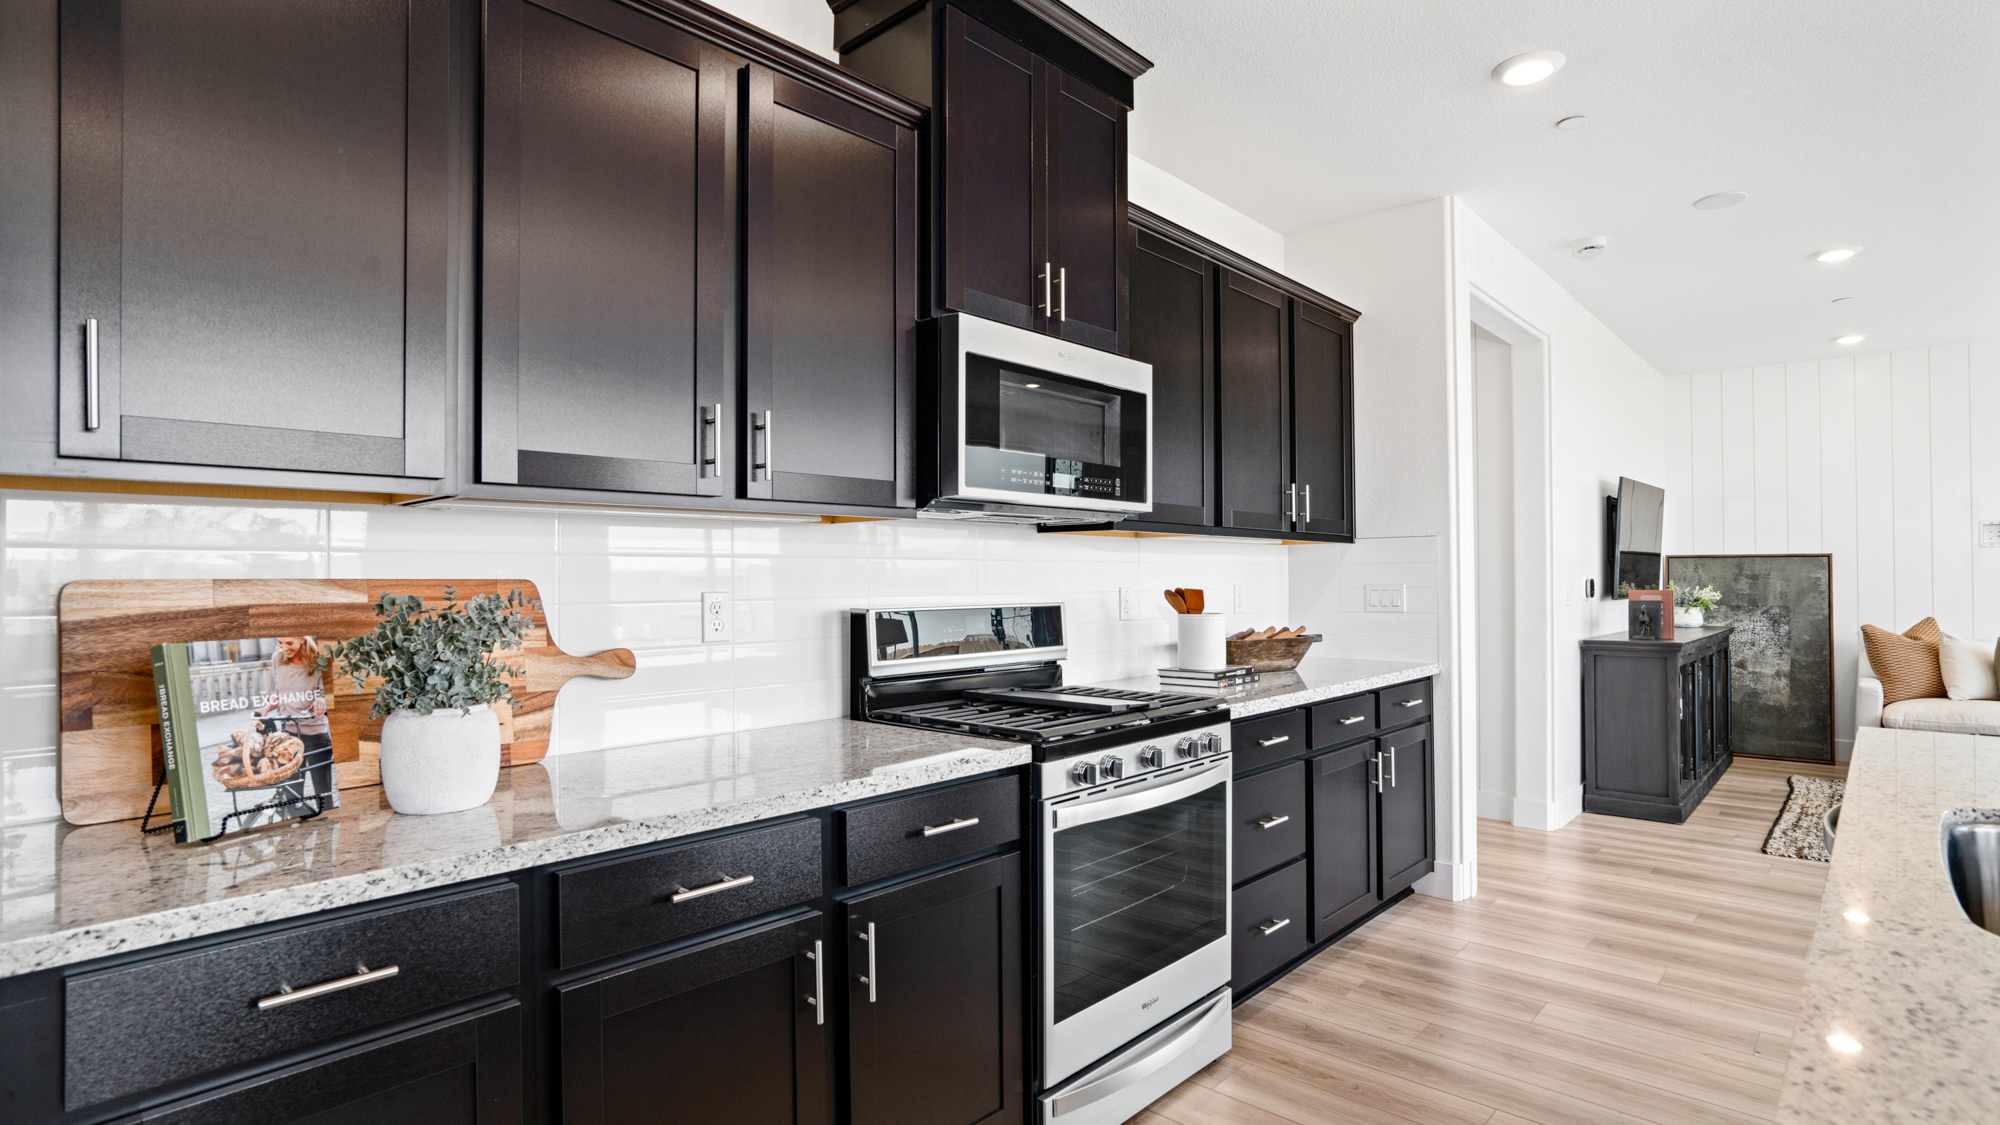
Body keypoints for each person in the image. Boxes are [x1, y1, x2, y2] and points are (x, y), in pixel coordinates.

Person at [262, 636, 338, 809]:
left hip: (316, 736)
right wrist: (266, 709)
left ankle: (329, 828)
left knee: (323, 794)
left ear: (302, 640)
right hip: (289, 738)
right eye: (280, 643)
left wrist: (322, 700)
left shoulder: (320, 660)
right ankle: (297, 825)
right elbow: (280, 692)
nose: (283, 648)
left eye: (289, 643)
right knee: (292, 793)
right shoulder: (277, 659)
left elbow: (327, 692)